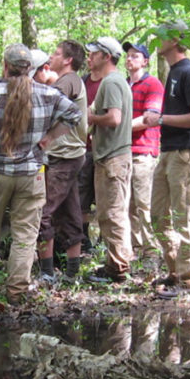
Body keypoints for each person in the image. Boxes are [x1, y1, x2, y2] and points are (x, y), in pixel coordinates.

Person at [0, 43, 82, 303]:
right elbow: (75, 113)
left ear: (4, 66)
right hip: (31, 176)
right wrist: (50, 137)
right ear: (30, 69)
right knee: (25, 235)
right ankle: (16, 291)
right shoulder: (47, 95)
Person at [135, 23, 190, 293]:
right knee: (156, 215)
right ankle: (175, 270)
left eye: (163, 36)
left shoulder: (189, 71)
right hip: (167, 151)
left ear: (176, 40)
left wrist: (161, 119)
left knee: (183, 215)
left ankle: (189, 279)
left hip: (185, 153)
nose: (157, 40)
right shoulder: (173, 72)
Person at [37, 40, 90, 284]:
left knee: (44, 211)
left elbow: (50, 106)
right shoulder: (68, 81)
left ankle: (47, 272)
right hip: (68, 155)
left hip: (65, 156)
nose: (51, 57)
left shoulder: (68, 80)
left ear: (68, 60)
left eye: (56, 54)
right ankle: (71, 272)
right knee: (70, 212)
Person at [83, 37, 134, 283]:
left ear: (106, 56)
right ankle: (116, 264)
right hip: (109, 156)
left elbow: (114, 118)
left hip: (113, 158)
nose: (89, 57)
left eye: (93, 53)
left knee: (113, 215)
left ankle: (118, 270)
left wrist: (90, 117)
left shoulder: (112, 82)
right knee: (110, 213)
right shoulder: (114, 81)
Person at [124, 41, 163, 261]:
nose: (130, 59)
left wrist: (120, 126)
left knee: (143, 203)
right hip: (123, 151)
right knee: (127, 204)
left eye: (135, 56)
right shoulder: (123, 84)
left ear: (145, 61)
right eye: (128, 56)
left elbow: (150, 118)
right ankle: (136, 250)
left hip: (143, 152)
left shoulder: (153, 84)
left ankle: (151, 252)